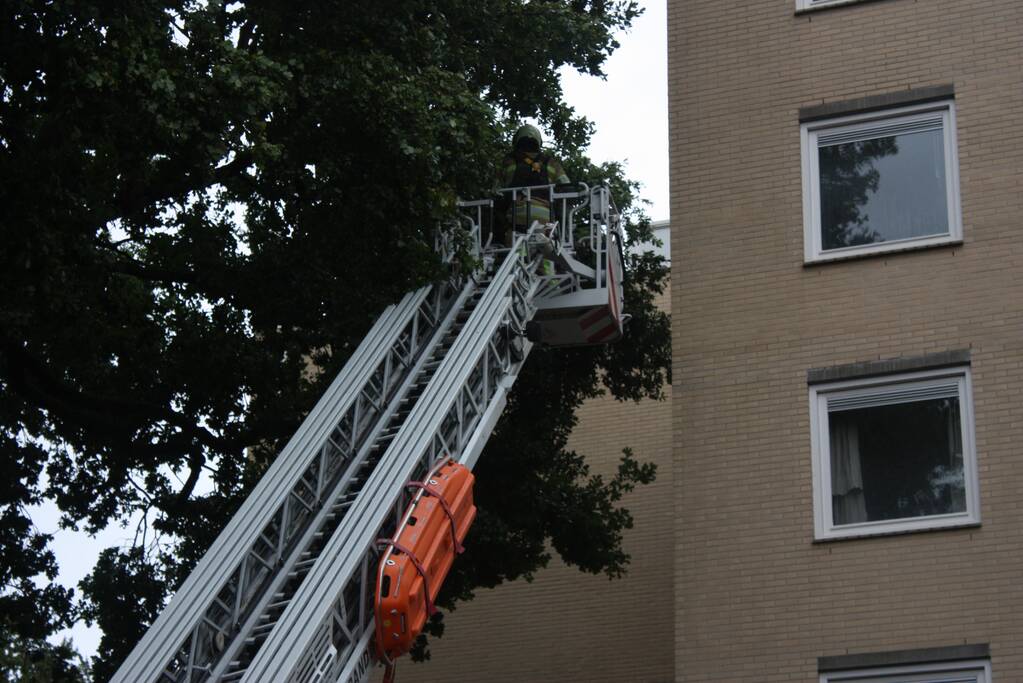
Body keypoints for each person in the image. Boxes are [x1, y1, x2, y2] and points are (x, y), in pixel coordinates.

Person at [499, 124, 570, 238]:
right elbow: (567, 187)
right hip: (545, 220)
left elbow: (496, 190)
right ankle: (564, 234)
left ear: (516, 141)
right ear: (538, 141)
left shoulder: (508, 162)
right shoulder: (551, 163)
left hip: (515, 220)